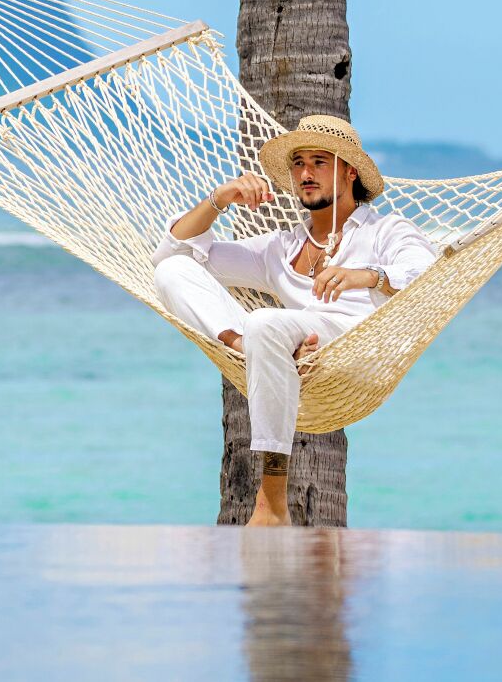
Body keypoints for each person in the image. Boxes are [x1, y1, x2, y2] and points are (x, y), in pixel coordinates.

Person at [152, 115, 437, 526]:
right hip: (288, 347)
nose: (306, 173)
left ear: (350, 171)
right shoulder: (280, 248)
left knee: (267, 322)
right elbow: (173, 255)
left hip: (351, 347)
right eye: (299, 163)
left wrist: (367, 275)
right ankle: (247, 346)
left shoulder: (385, 231)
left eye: (320, 162)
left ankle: (271, 501)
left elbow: (427, 274)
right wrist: (219, 198)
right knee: (173, 274)